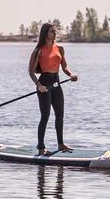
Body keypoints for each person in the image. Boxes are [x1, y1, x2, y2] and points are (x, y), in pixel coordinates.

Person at [28, 22, 78, 155]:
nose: (55, 33)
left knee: (60, 114)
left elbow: (65, 67)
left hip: (56, 83)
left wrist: (71, 74)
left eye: (55, 31)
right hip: (44, 83)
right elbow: (31, 72)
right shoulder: (38, 51)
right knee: (45, 115)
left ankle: (61, 144)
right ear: (45, 33)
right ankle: (41, 148)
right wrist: (39, 85)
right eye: (52, 31)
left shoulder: (60, 48)